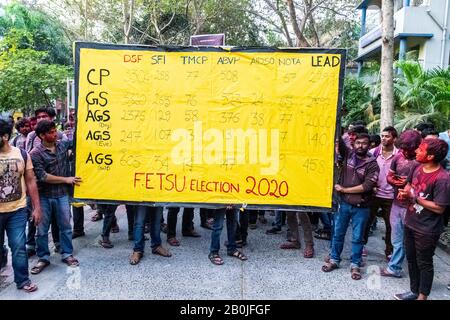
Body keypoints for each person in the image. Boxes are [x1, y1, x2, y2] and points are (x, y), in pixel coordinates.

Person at [394, 138, 450, 300]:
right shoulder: (417, 167)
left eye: (421, 148)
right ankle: (413, 291)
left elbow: (439, 207)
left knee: (424, 262)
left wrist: (415, 198)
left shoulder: (443, 179)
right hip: (410, 221)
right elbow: (409, 185)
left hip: (427, 229)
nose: (417, 151)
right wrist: (404, 192)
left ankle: (422, 296)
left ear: (431, 156)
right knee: (411, 258)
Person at [321, 133, 379, 280]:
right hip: (344, 204)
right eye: (358, 143)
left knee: (358, 237)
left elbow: (367, 186)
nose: (360, 145)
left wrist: (344, 189)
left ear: (370, 145)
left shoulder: (372, 163)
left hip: (362, 206)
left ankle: (355, 264)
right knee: (338, 233)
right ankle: (334, 260)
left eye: (364, 143)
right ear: (353, 144)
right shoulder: (348, 154)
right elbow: (338, 142)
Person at [29, 120, 81, 274]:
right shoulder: (35, 153)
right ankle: (43, 257)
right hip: (44, 196)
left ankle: (67, 253)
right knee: (42, 229)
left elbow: (77, 141)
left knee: (65, 226)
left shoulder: (62, 145)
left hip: (62, 195)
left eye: (55, 130)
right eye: (51, 132)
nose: (55, 134)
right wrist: (66, 179)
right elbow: (42, 176)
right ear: (42, 135)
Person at [0, 119, 41, 292]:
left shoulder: (22, 154)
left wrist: (37, 207)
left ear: (4, 136)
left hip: (17, 210)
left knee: (18, 246)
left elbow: (31, 181)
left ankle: (22, 280)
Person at [380, 130, 421, 278]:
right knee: (396, 238)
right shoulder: (398, 157)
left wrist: (409, 185)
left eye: (408, 150)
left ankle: (416, 270)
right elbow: (389, 176)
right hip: (397, 203)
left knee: (413, 241)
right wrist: (395, 181)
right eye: (402, 149)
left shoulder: (422, 161)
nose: (404, 152)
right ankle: (395, 267)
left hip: (414, 206)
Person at [363, 126, 398, 260]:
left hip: (391, 196)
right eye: (382, 136)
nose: (383, 138)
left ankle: (389, 251)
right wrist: (370, 186)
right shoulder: (373, 152)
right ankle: (362, 246)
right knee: (366, 221)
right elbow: (365, 172)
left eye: (387, 136)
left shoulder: (399, 155)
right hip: (373, 194)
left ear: (394, 138)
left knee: (391, 226)